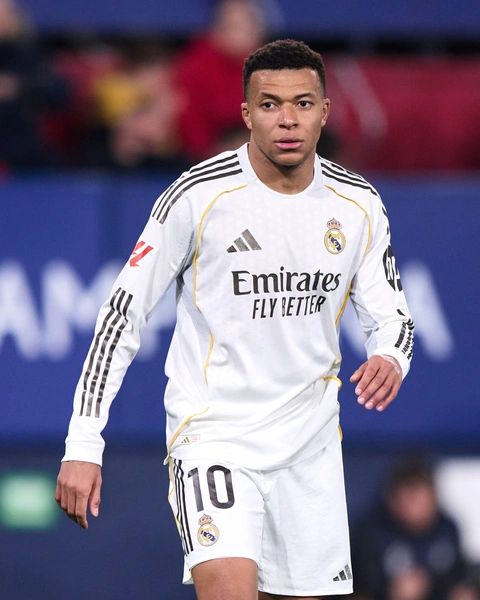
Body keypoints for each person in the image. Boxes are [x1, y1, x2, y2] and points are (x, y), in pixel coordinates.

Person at [55, 39, 414, 600]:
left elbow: (394, 316)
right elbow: (122, 315)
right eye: (270, 104)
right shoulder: (197, 196)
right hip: (214, 437)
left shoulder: (358, 205)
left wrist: (391, 356)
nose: (287, 119)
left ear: (324, 111)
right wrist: (83, 442)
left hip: (310, 448)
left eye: (302, 103)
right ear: (247, 113)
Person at [348, 458, 480, 600]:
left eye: (419, 498)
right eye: (407, 498)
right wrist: (391, 589)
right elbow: (361, 583)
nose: (413, 507)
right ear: (392, 499)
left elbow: (458, 577)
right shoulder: (373, 531)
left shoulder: (448, 529)